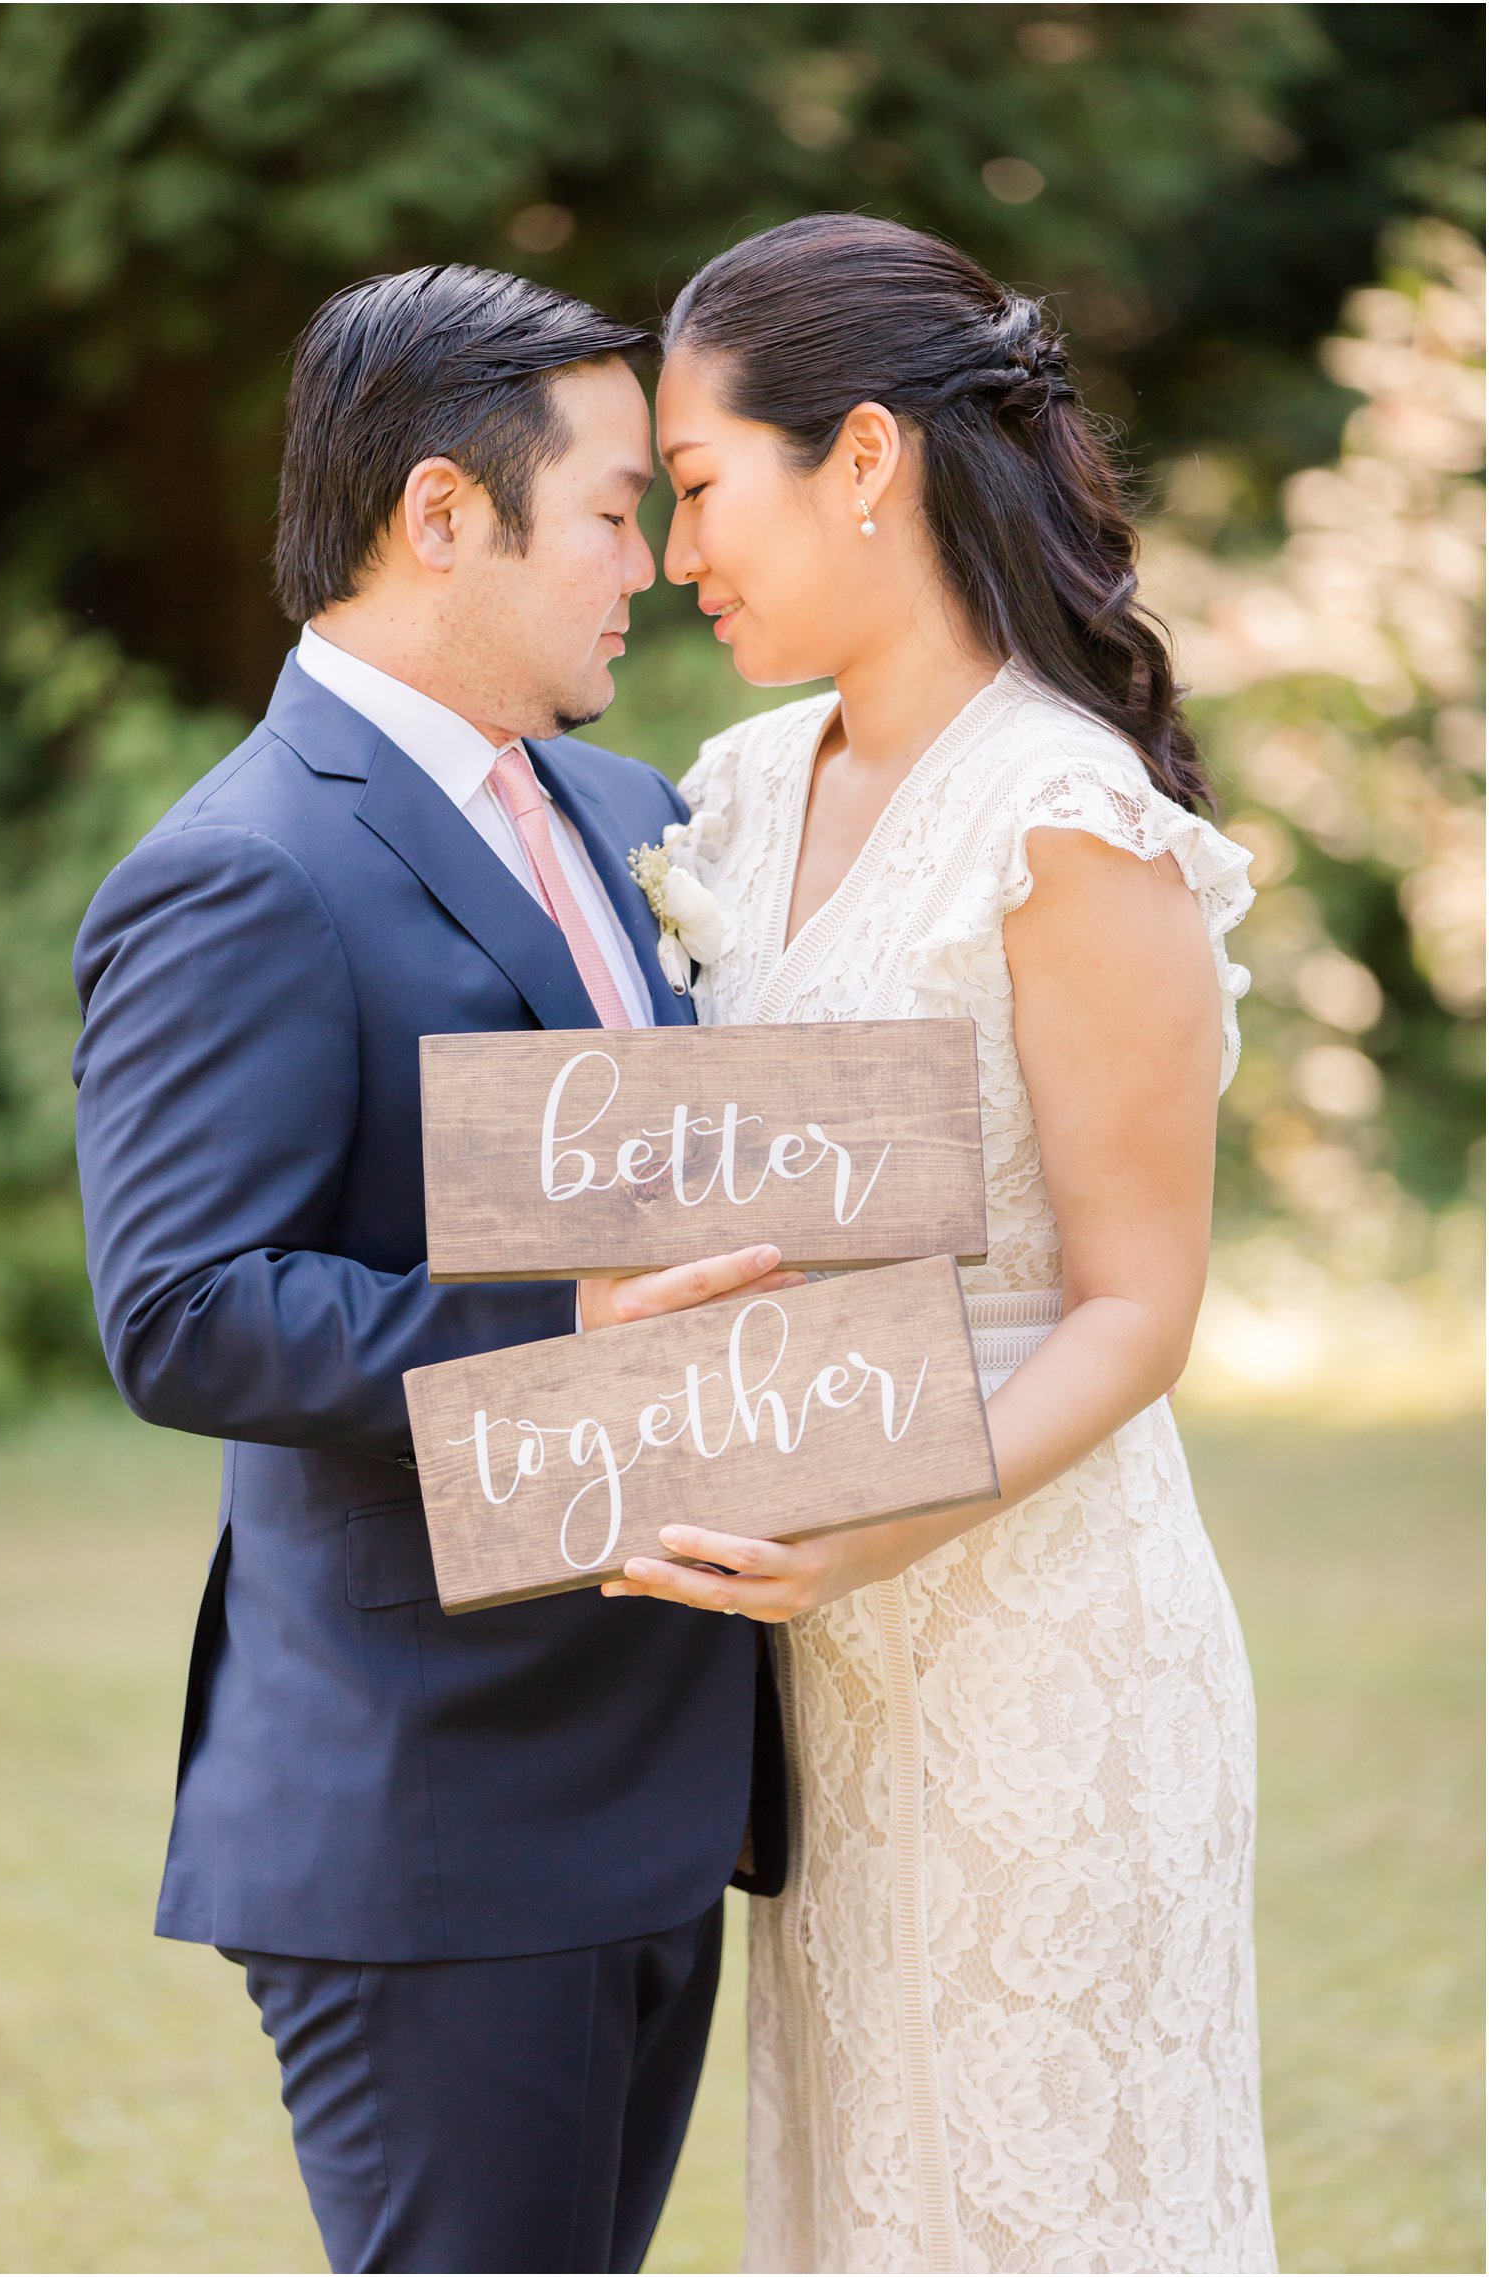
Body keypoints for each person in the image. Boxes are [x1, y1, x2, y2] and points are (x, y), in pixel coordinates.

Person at [71, 263, 791, 2277]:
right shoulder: (242, 868)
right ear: (444, 513)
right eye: (618, 509)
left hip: (657, 1775)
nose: (650, 560)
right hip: (435, 1815)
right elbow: (186, 1307)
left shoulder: (631, 808)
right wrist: (565, 1325)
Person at [604, 214, 1279, 2272]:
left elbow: (1136, 1304)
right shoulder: (727, 786)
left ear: (868, 458)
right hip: (810, 1669)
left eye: (700, 485)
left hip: (1031, 1638)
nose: (666, 552)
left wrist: (884, 1523)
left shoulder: (1060, 817)